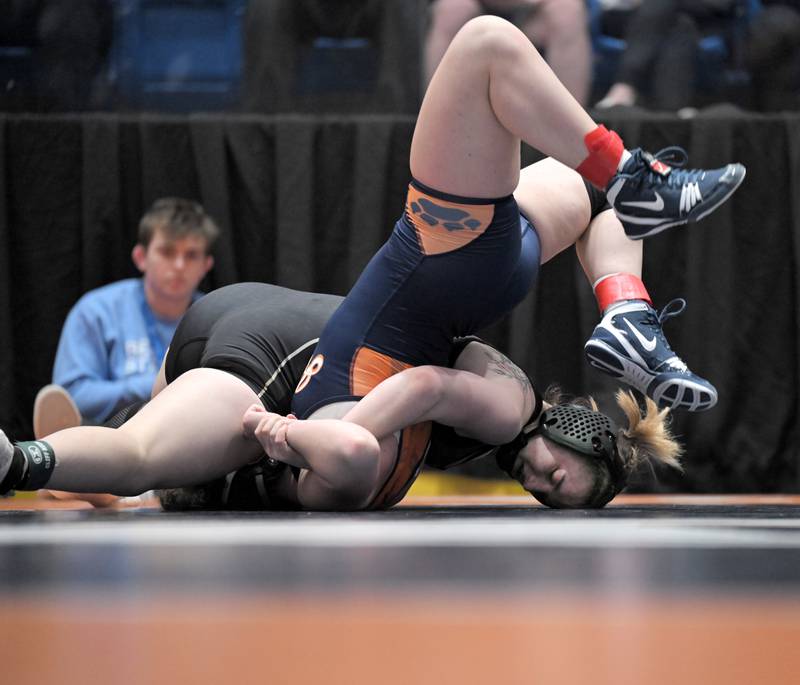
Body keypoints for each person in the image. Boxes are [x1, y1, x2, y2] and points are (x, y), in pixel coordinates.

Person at [0, 16, 743, 509]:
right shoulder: (505, 406)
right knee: (486, 42)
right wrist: (295, 431)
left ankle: (628, 309)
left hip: (267, 329)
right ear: (573, 431)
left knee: (142, 462)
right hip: (317, 351)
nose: (540, 485)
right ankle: (630, 190)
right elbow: (398, 405)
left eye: (549, 495)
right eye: (558, 476)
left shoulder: (499, 418)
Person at [32, 198, 219, 438]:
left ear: (207, 265)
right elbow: (70, 396)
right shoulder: (96, 311)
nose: (179, 265)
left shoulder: (217, 318)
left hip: (190, 441)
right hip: (109, 438)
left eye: (191, 255)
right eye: (167, 252)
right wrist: (156, 386)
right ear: (141, 257)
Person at [426, 0, 592, 105]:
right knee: (452, 10)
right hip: (477, 12)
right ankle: (436, 121)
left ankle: (574, 135)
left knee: (567, 11)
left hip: (535, 15)